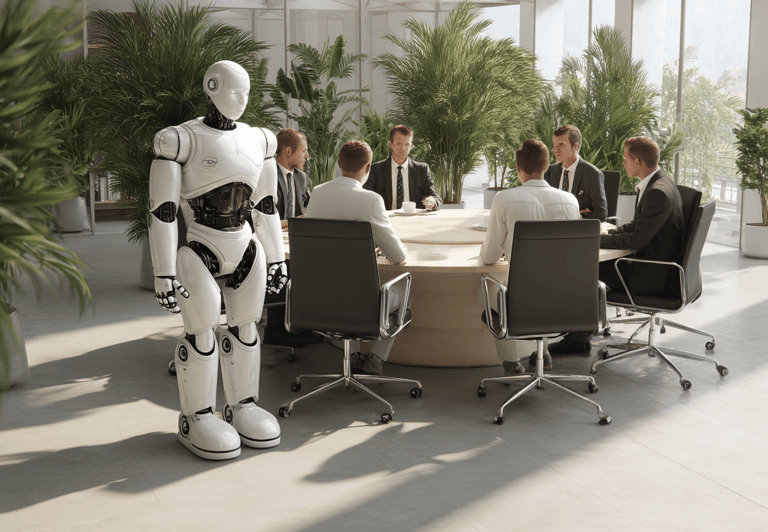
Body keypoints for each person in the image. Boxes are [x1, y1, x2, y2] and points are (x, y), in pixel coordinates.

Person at [148, 60, 284, 460]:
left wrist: (276, 257)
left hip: (246, 244)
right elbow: (162, 210)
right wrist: (163, 273)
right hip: (201, 247)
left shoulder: (261, 140)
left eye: (246, 93)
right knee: (201, 333)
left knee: (246, 330)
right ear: (212, 86)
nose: (241, 101)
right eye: (233, 91)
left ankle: (242, 406)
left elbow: (267, 205)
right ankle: (198, 416)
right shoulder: (180, 140)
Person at [548, 135, 685, 357]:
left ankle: (577, 338)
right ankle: (579, 332)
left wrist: (593, 238)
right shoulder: (661, 182)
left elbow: (636, 240)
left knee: (582, 268)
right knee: (589, 266)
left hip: (653, 275)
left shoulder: (656, 193)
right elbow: (638, 226)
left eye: (626, 159)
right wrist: (612, 231)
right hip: (658, 265)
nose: (623, 163)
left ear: (638, 162)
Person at [306, 140, 409, 375]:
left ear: (339, 164)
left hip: (318, 297)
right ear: (368, 167)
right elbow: (398, 255)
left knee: (342, 286)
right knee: (404, 289)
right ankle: (375, 359)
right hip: (360, 302)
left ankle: (351, 355)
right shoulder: (371, 200)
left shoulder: (318, 194)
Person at [480, 139, 580, 374]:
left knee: (486, 288)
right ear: (547, 166)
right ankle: (541, 350)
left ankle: (512, 360)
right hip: (567, 299)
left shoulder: (504, 199)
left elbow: (489, 257)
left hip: (523, 303)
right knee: (546, 286)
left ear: (518, 167)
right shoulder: (571, 201)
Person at [263, 128, 316, 348]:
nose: (307, 156)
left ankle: (301, 325)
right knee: (289, 265)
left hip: (293, 241)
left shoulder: (300, 177)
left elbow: (306, 209)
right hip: (268, 244)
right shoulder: (266, 177)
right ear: (287, 151)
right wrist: (294, 223)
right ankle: (276, 331)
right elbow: (258, 220)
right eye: (304, 151)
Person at [364, 125, 442, 211]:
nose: (403, 148)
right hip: (386, 219)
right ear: (390, 144)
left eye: (407, 144)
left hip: (415, 220)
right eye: (399, 144)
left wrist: (433, 202)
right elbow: (366, 196)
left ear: (411, 146)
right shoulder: (376, 169)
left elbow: (435, 196)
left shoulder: (422, 169)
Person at [544, 125, 608, 221]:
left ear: (575, 146)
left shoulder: (592, 174)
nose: (556, 150)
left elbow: (601, 213)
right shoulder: (549, 172)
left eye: (561, 144)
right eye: (554, 145)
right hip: (552, 227)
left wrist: (576, 216)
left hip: (577, 230)